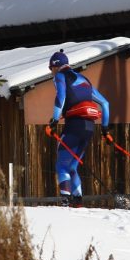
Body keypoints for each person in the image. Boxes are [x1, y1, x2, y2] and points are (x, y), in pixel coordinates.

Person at [47, 49, 110, 207]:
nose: (51, 73)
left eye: (51, 69)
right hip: (89, 128)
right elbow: (105, 104)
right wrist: (105, 130)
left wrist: (54, 121)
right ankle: (77, 200)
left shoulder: (61, 76)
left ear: (55, 66)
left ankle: (65, 201)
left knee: (61, 165)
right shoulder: (84, 79)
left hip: (74, 126)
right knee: (72, 166)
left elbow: (60, 98)